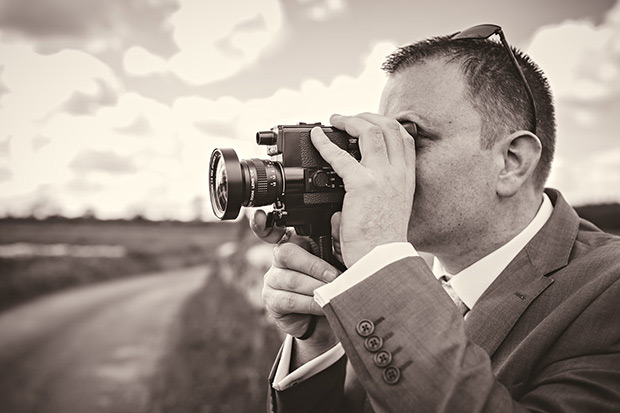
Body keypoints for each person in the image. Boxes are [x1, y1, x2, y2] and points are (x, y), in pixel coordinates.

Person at [251, 24, 620, 412]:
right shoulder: (398, 280)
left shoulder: (609, 291)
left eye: (409, 138)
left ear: (512, 162)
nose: (384, 163)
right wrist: (320, 341)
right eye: (377, 142)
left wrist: (380, 263)